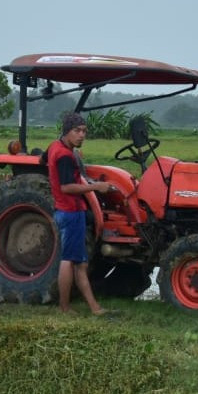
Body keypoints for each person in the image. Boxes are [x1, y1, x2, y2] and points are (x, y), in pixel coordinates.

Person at [47, 112, 115, 314]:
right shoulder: (65, 156)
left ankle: (94, 307)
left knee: (80, 263)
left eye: (84, 131)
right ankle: (65, 307)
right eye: (77, 131)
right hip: (71, 212)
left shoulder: (54, 147)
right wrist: (96, 187)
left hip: (64, 211)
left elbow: (44, 159)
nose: (82, 135)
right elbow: (67, 187)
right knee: (70, 261)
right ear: (67, 132)